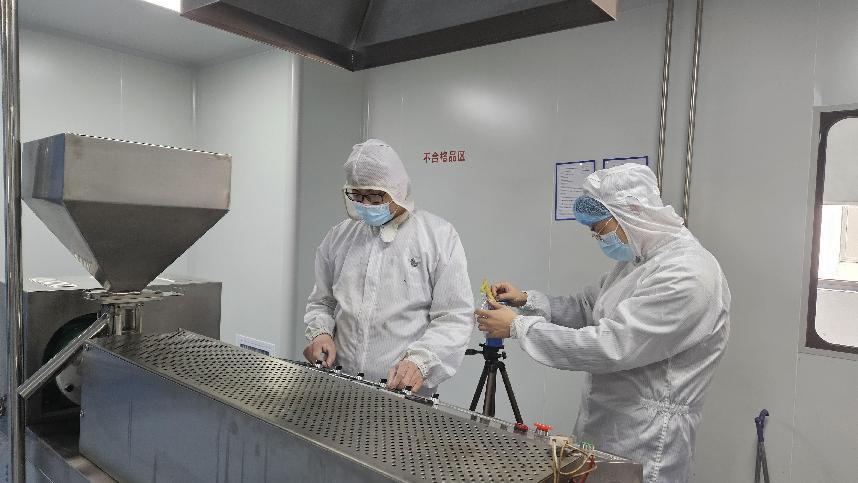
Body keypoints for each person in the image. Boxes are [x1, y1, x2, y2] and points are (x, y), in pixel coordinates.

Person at [475, 164, 730, 482]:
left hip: (647, 440)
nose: (596, 237)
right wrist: (527, 301)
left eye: (599, 228)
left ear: (632, 212)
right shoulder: (638, 261)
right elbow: (589, 308)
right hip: (606, 425)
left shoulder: (688, 274)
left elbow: (611, 346)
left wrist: (517, 327)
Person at [303, 139, 473, 396]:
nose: (365, 204)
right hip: (340, 386)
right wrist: (321, 333)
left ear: (397, 189)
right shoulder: (340, 237)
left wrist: (420, 361)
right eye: (357, 195)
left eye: (374, 195)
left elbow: (454, 317)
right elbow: (322, 302)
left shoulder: (438, 237)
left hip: (404, 394)